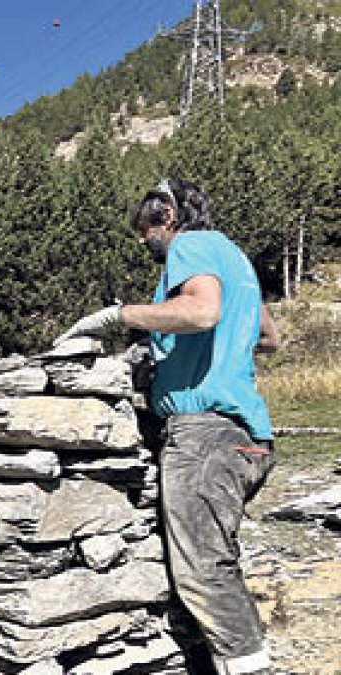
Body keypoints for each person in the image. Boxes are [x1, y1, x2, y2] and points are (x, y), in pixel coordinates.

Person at [55, 178, 281, 675]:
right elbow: (268, 337)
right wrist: (192, 353)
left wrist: (120, 317)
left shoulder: (192, 245)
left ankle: (249, 668)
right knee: (216, 555)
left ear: (169, 217)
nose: (142, 241)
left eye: (145, 228)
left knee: (201, 568)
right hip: (247, 434)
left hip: (203, 430)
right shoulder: (235, 258)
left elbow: (201, 311)